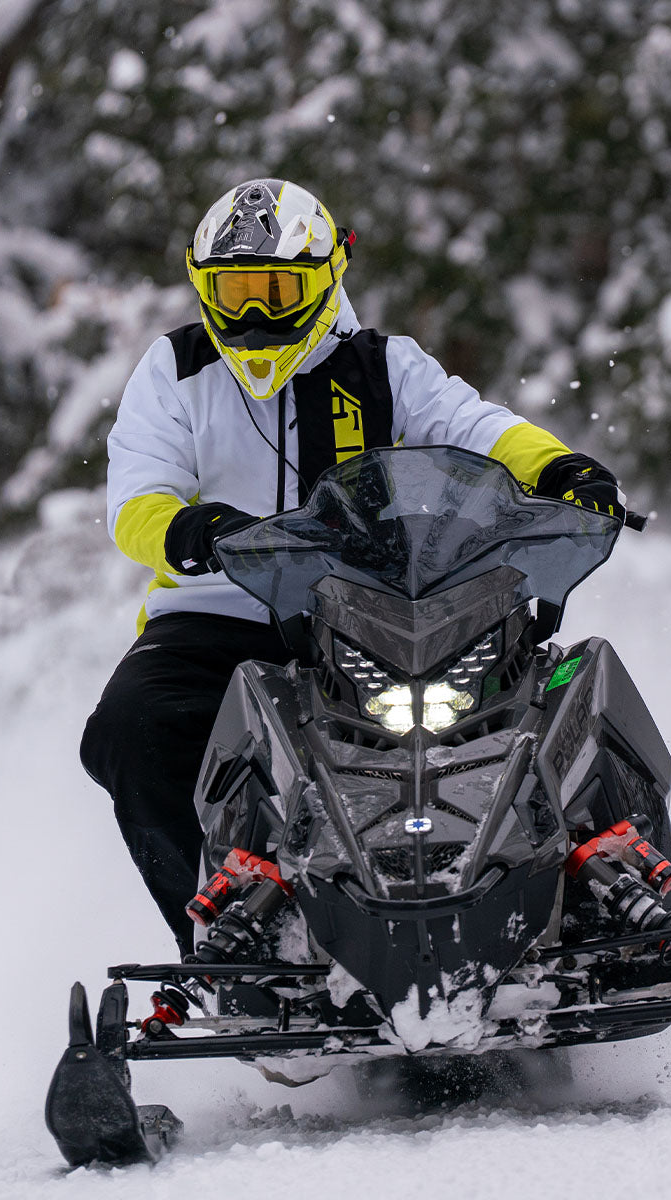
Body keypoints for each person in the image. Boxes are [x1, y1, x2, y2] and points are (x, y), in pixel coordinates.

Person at [80, 179, 622, 957]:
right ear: (204, 289)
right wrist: (186, 528)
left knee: (551, 703)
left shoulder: (383, 367)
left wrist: (561, 467)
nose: (255, 316)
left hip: (373, 615)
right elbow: (136, 497)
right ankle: (226, 944)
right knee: (129, 730)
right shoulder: (176, 368)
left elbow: (474, 426)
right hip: (214, 613)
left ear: (326, 277)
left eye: (276, 291)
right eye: (235, 292)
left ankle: (596, 901)